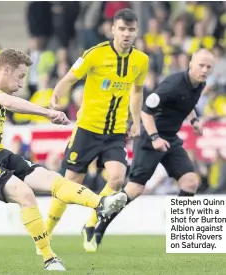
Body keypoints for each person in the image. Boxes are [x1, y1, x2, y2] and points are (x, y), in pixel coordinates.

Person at [0, 48, 127, 271]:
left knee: (52, 179)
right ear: (5, 70)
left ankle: (100, 205)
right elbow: (8, 103)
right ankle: (49, 258)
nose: (21, 84)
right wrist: (47, 113)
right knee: (25, 194)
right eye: (20, 76)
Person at [85, 48, 215, 252]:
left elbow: (186, 103)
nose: (205, 69)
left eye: (209, 67)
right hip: (150, 137)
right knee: (135, 189)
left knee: (190, 182)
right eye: (201, 65)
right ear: (191, 64)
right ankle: (98, 227)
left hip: (170, 139)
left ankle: (177, 237)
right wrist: (155, 138)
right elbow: (146, 111)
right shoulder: (172, 84)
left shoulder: (199, 84)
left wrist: (194, 120)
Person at [47, 8, 149, 252]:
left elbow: (136, 91)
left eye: (131, 30)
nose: (126, 34)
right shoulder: (94, 54)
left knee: (116, 178)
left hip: (114, 133)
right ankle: (45, 232)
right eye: (122, 29)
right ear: (112, 29)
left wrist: (136, 121)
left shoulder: (141, 61)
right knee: (70, 183)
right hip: (87, 129)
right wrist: (56, 95)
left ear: (136, 32)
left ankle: (90, 224)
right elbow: (70, 78)